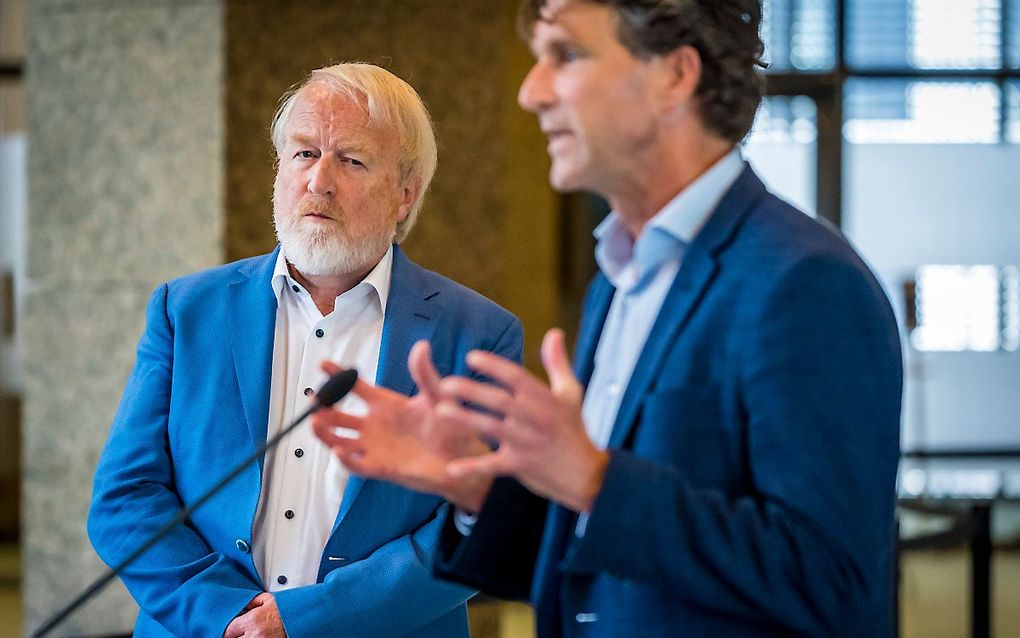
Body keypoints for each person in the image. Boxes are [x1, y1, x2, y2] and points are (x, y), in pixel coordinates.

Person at [311, 1, 903, 636]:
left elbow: (833, 583)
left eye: (565, 55)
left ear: (674, 76)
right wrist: (476, 488)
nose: (531, 92)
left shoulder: (804, 282)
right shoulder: (616, 280)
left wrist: (594, 479)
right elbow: (599, 563)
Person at [87, 63, 523, 638]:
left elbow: (479, 525)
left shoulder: (477, 333)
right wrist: (228, 615)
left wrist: (304, 621)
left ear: (404, 194)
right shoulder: (187, 311)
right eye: (303, 154)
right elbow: (125, 498)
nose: (319, 181)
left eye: (352, 160)